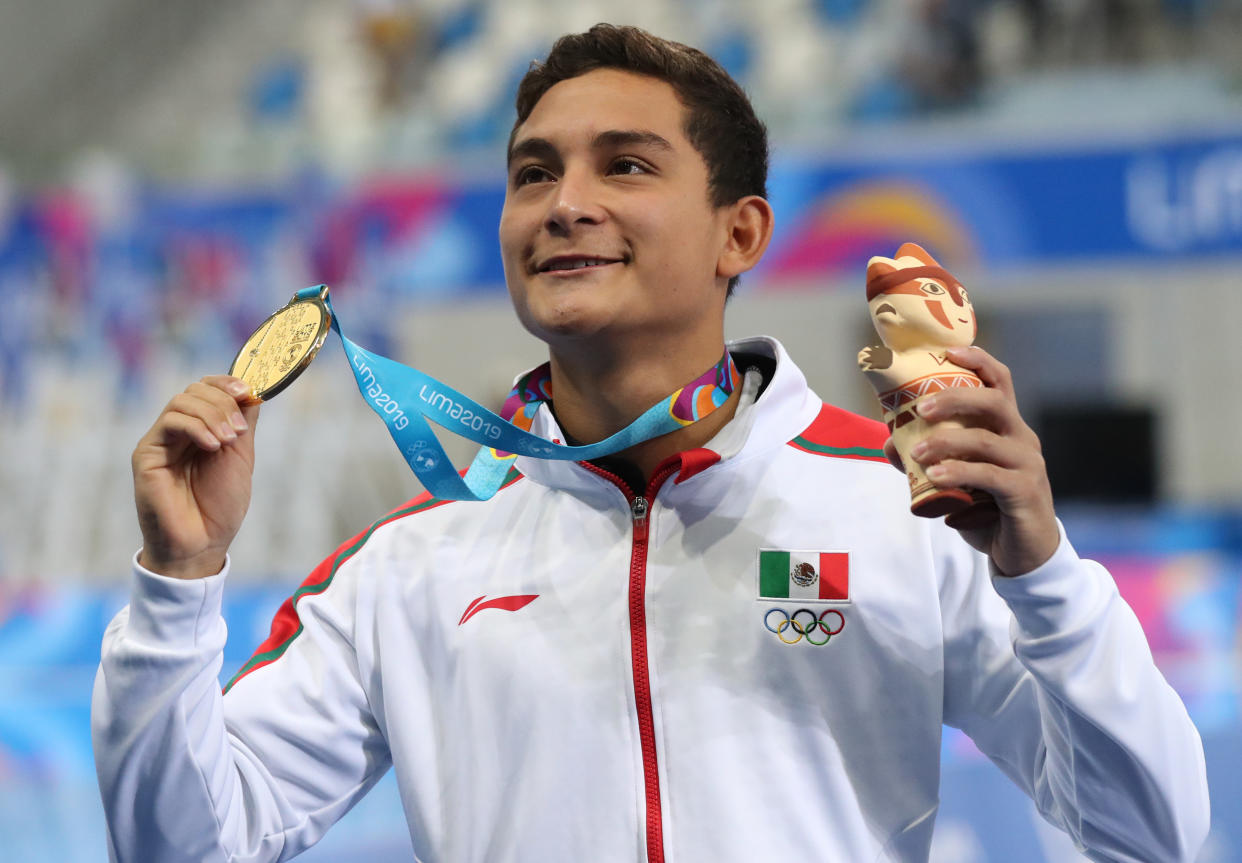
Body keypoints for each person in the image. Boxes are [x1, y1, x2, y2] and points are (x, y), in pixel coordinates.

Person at [93, 23, 1209, 863]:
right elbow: (186, 845)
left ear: (742, 232)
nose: (565, 202)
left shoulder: (907, 508)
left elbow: (1152, 832)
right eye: (535, 172)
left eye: (625, 165)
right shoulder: (406, 565)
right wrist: (176, 586)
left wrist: (1044, 575)